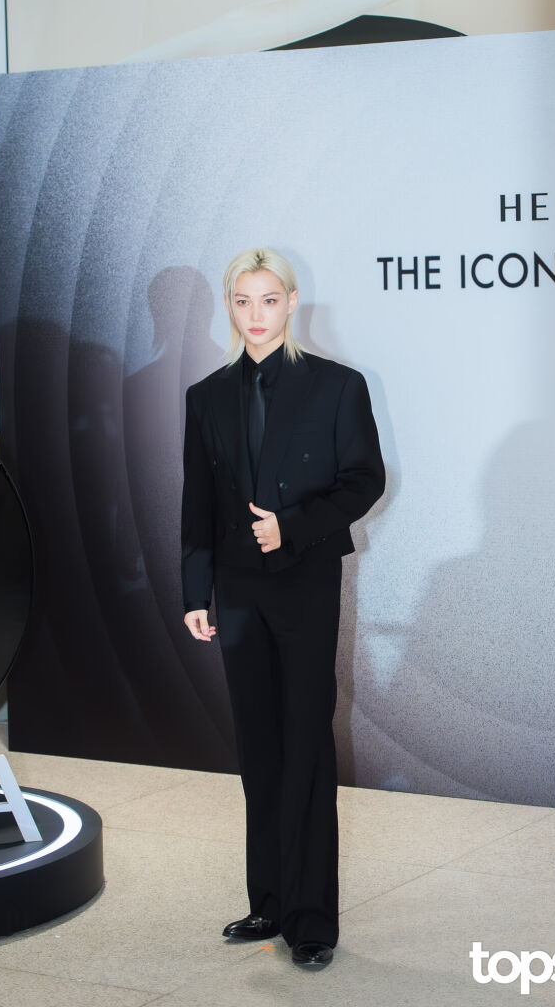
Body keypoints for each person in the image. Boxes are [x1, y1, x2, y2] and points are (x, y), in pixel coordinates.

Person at [181, 247, 385, 969]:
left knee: (305, 743)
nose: (256, 315)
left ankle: (311, 921)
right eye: (243, 301)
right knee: (258, 748)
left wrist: (291, 526)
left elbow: (365, 479)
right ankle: (267, 901)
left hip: (303, 583)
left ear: (292, 303)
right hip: (236, 592)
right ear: (229, 307)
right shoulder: (206, 396)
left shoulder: (337, 386)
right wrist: (195, 592)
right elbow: (197, 502)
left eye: (269, 300)